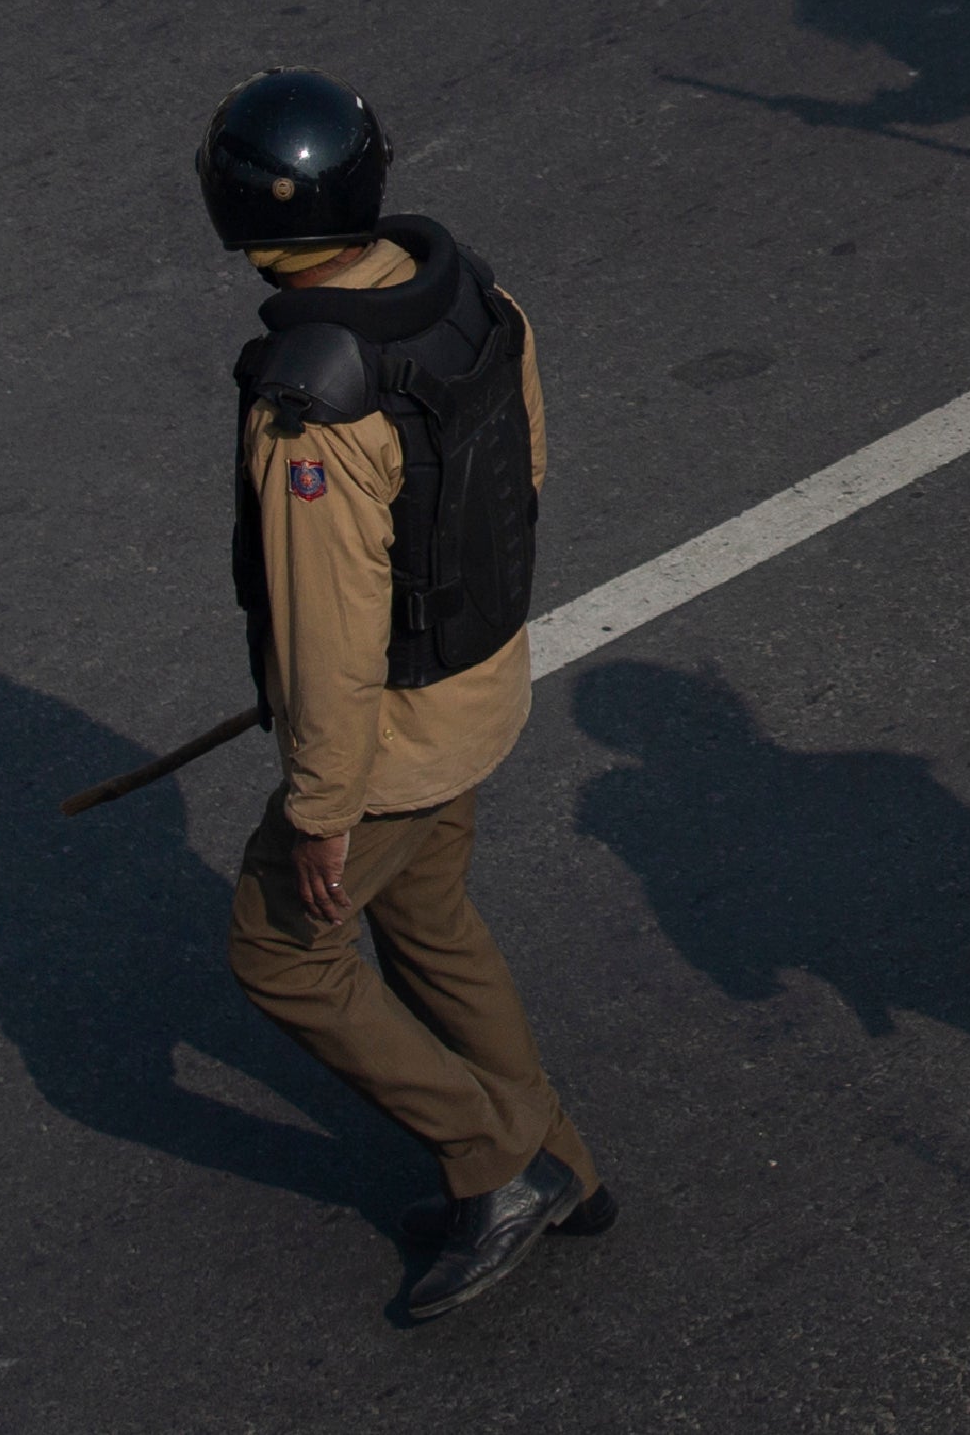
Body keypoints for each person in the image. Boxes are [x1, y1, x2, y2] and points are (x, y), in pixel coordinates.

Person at [196, 67, 614, 1319]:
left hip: (390, 739)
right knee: (430, 924)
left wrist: (324, 802)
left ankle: (496, 1159)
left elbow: (325, 629)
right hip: (480, 687)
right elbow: (521, 475)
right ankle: (567, 1165)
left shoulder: (310, 402)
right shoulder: (475, 294)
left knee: (280, 952)